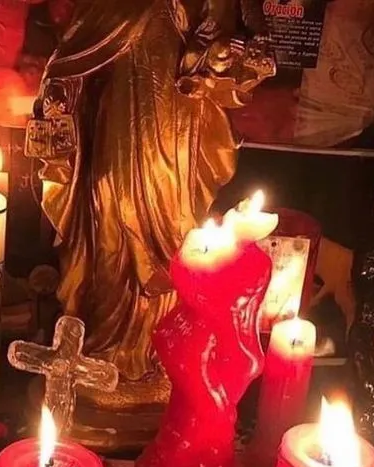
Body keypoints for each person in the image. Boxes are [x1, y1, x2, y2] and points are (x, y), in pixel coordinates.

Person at [28, 0, 274, 388]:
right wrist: (58, 96)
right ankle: (99, 347)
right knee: (110, 218)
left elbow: (230, 58)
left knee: (173, 238)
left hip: (178, 134)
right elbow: (76, 52)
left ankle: (154, 349)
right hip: (116, 124)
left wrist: (222, 59)